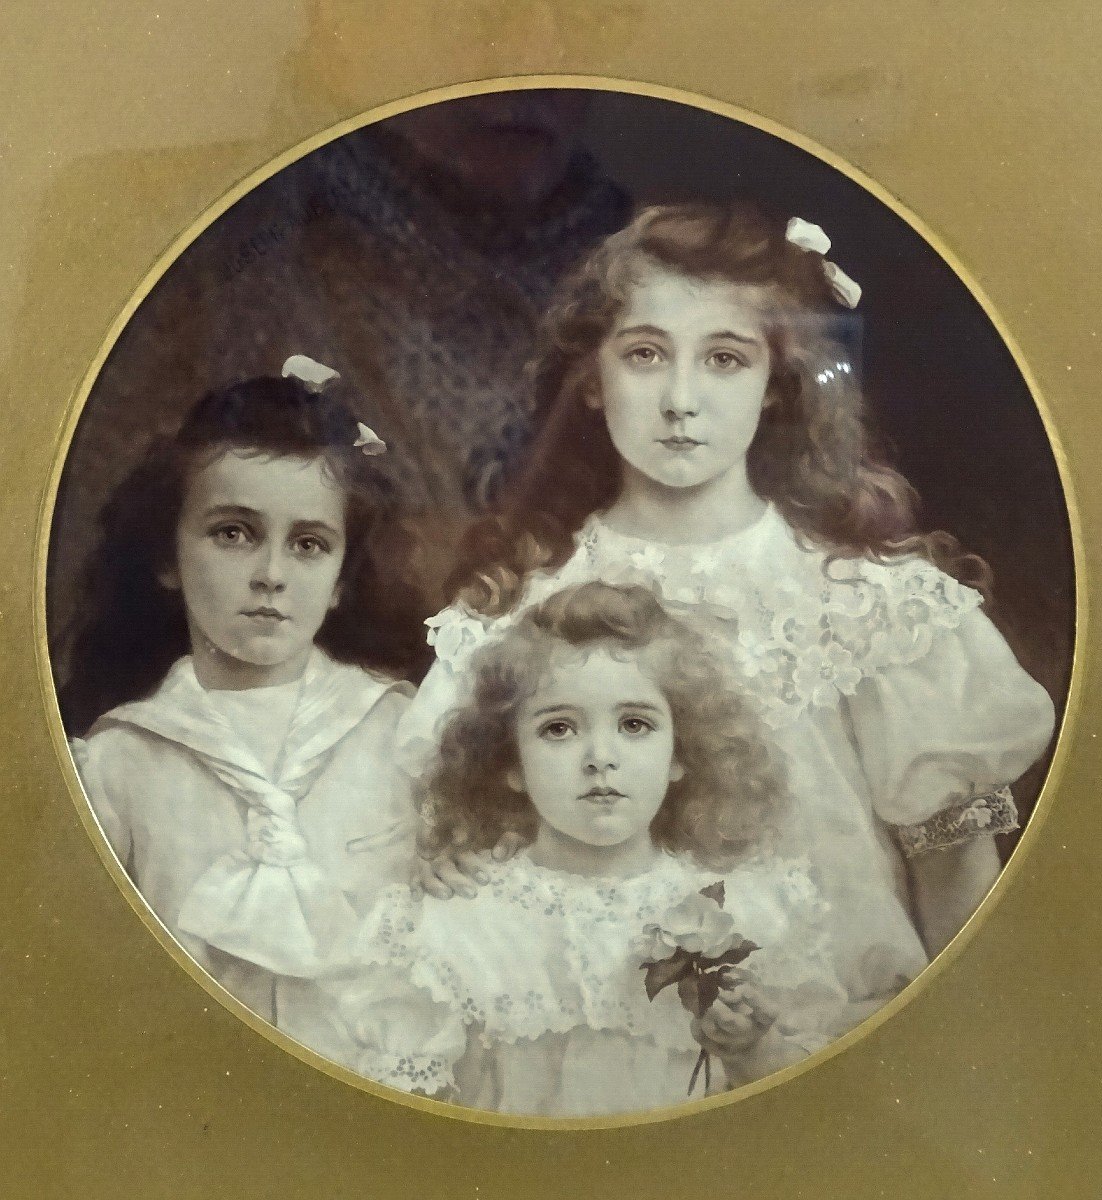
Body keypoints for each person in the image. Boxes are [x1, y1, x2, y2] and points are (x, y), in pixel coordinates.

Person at [402, 203, 1057, 1019]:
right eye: (645, 354)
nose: (681, 398)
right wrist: (443, 857)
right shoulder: (522, 610)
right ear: (594, 382)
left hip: (843, 1045)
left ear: (777, 388)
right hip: (611, 1057)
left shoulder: (874, 606)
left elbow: (956, 882)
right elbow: (439, 837)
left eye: (724, 358)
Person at [48, 91, 631, 659]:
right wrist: (382, 571)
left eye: (577, 14)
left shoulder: (651, 272)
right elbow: (94, 600)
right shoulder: (209, 253)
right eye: (475, 17)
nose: (529, 65)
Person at [328, 582, 845, 1117]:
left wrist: (750, 1050)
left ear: (680, 753)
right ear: (511, 763)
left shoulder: (757, 909)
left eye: (635, 725)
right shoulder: (454, 927)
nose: (601, 757)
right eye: (559, 729)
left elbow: (806, 1113)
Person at [64, 359, 425, 1053]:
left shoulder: (401, 732)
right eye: (233, 533)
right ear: (167, 557)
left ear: (342, 578)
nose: (271, 575)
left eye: (309, 544)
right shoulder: (119, 763)